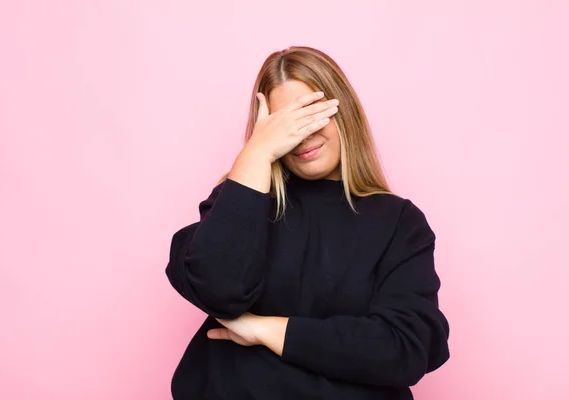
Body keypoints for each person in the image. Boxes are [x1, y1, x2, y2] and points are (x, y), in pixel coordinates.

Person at [165, 46, 450, 399]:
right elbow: (218, 289)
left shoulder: (399, 223)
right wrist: (256, 153)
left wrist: (268, 331)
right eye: (285, 124)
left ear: (343, 111)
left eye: (312, 114)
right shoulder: (240, 200)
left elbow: (406, 348)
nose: (303, 134)